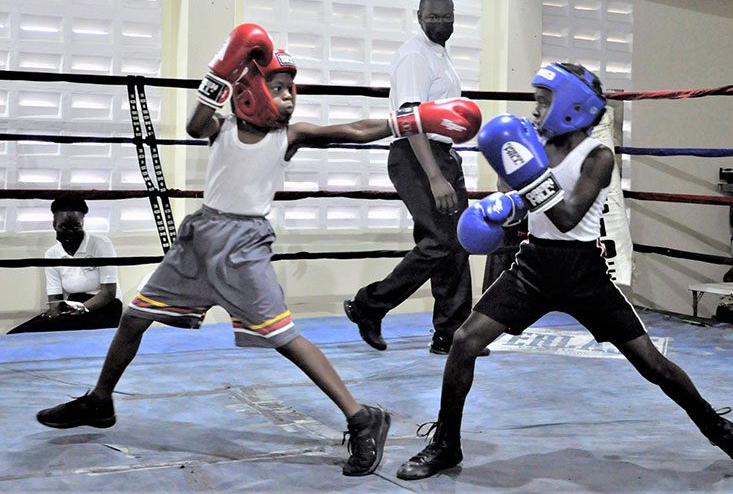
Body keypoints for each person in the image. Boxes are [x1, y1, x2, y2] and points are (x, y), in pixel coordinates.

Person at [35, 24, 479, 477]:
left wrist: (414, 120)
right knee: (133, 317)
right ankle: (100, 399)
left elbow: (353, 128)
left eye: (292, 90)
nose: (288, 98)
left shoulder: (287, 136)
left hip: (243, 247)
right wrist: (222, 71)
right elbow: (193, 125)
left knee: (283, 338)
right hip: (197, 239)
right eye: (279, 88)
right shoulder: (222, 128)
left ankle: (362, 417)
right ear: (249, 92)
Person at [396, 63, 733, 480]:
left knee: (651, 363)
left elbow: (569, 216)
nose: (536, 109)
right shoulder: (533, 142)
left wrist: (530, 182)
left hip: (582, 271)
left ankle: (719, 429)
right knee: (464, 341)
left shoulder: (598, 156)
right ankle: (446, 444)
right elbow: (516, 197)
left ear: (571, 105)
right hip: (533, 266)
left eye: (544, 100)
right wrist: (504, 202)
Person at [344, 0, 484, 356]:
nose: (440, 22)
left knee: (457, 244)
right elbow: (409, 119)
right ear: (418, 16)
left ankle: (451, 334)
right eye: (432, 16)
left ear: (454, 16)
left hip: (441, 154)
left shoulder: (440, 55)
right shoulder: (414, 56)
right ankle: (369, 305)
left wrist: (447, 164)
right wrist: (436, 176)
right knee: (440, 241)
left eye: (446, 16)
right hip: (416, 154)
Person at [8, 197, 122, 334]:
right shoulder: (52, 254)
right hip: (72, 306)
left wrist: (81, 308)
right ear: (54, 224)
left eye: (76, 227)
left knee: (48, 332)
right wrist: (55, 312)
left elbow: (108, 293)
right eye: (63, 227)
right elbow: (54, 298)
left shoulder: (101, 244)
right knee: (18, 334)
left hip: (105, 307)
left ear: (82, 223)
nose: (70, 232)